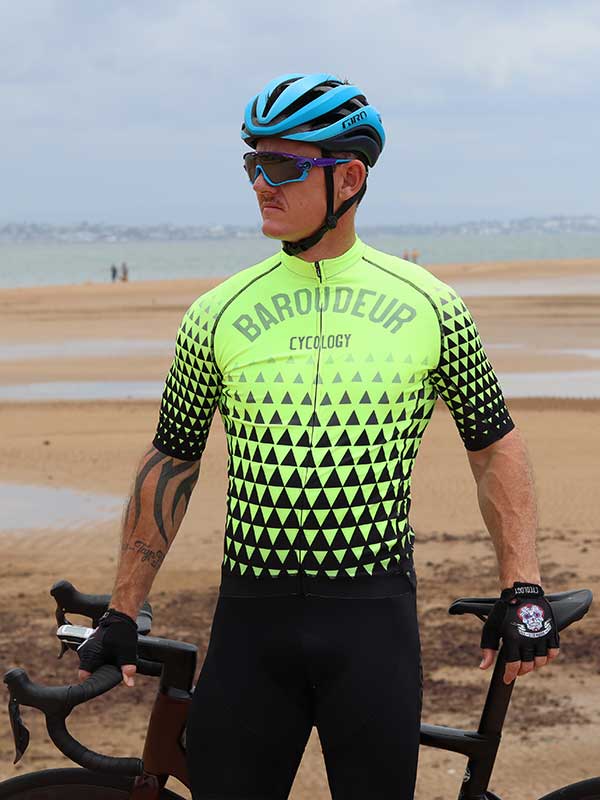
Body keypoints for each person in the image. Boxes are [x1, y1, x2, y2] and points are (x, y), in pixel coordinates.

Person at [77, 73, 559, 800]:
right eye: (254, 163)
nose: (259, 183)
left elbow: (495, 446)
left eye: (282, 166)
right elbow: (173, 458)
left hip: (373, 622)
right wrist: (123, 607)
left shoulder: (432, 306)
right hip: (251, 620)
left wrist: (522, 586)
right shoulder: (215, 312)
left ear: (350, 178)